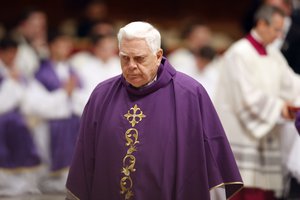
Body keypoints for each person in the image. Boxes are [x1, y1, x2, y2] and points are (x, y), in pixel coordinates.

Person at [65, 21, 243, 200]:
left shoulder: (189, 94)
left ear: (158, 56)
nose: (131, 65)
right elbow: (85, 156)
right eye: (125, 58)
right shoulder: (102, 95)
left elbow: (210, 157)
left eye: (139, 58)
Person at [214, 5, 300, 199]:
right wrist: (280, 108)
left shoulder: (273, 54)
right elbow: (248, 98)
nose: (279, 36)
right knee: (244, 191)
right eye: (276, 30)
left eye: (281, 31)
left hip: (264, 136)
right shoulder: (239, 53)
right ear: (261, 24)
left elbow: (292, 83)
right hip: (242, 136)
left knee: (264, 192)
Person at [0, 35, 41, 196]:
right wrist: (10, 82)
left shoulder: (18, 71)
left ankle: (24, 182)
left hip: (19, 114)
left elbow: (28, 95)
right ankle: (6, 183)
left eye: (14, 53)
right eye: (8, 52)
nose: (12, 56)